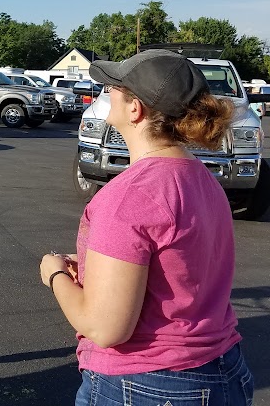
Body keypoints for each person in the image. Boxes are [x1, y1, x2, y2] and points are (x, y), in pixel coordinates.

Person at [40, 49, 253, 405]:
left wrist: (55, 275)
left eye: (113, 88)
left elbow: (104, 328)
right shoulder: (202, 178)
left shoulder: (127, 197)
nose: (106, 93)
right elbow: (178, 267)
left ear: (135, 109)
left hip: (148, 385)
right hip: (224, 371)